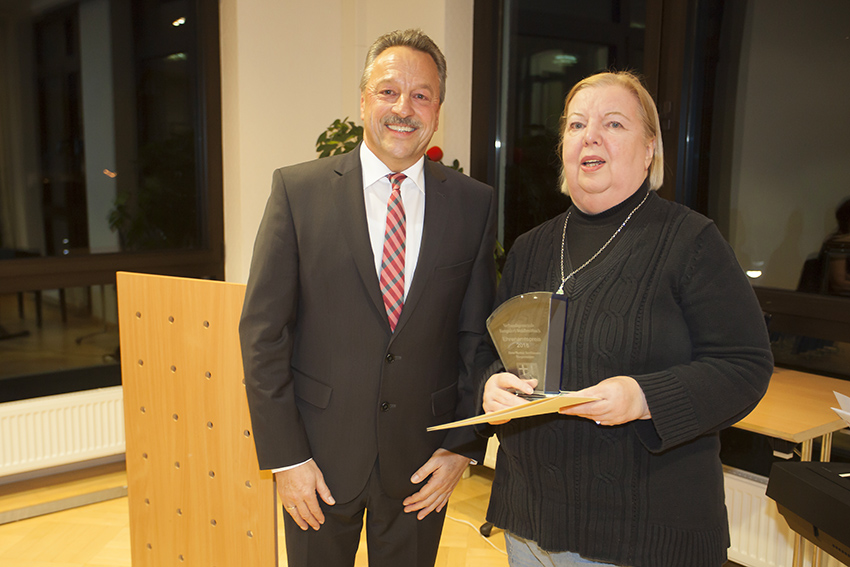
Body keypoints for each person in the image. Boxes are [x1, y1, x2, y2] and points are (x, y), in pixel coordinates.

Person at [478, 71, 773, 567]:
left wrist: (644, 398)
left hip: (644, 539)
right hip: (528, 523)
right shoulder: (530, 248)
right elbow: (496, 353)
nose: (590, 135)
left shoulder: (691, 242)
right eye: (576, 125)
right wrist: (491, 385)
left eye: (613, 124)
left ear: (650, 148)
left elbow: (745, 366)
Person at [239, 29, 496, 567]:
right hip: (316, 464)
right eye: (388, 92)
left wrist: (462, 448)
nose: (404, 108)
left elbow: (476, 339)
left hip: (422, 466)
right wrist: (286, 459)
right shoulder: (297, 192)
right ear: (363, 101)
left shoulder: (473, 205)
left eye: (421, 94)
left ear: (438, 108)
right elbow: (263, 334)